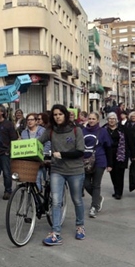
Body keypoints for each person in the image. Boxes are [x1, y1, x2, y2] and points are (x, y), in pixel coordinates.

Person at [38, 105, 87, 245]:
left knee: (77, 200)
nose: (57, 116)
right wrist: (23, 147)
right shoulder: (51, 131)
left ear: (65, 115)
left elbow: (80, 151)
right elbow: (38, 142)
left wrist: (62, 154)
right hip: (57, 170)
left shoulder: (76, 130)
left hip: (75, 170)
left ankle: (80, 226)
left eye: (60, 114)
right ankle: (55, 232)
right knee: (56, 201)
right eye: (55, 115)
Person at [82, 112, 112, 218]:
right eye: (89, 118)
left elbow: (108, 148)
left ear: (98, 120)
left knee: (96, 184)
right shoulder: (83, 131)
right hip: (85, 161)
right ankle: (98, 198)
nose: (91, 120)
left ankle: (94, 206)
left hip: (99, 160)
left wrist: (109, 164)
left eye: (93, 119)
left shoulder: (103, 131)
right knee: (86, 183)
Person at [104, 112, 128, 200]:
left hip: (120, 154)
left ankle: (119, 192)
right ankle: (116, 190)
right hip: (109, 155)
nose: (111, 120)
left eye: (113, 119)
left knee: (119, 174)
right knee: (113, 174)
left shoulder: (122, 129)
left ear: (116, 120)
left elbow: (129, 141)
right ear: (107, 120)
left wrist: (133, 155)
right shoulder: (104, 129)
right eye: (110, 118)